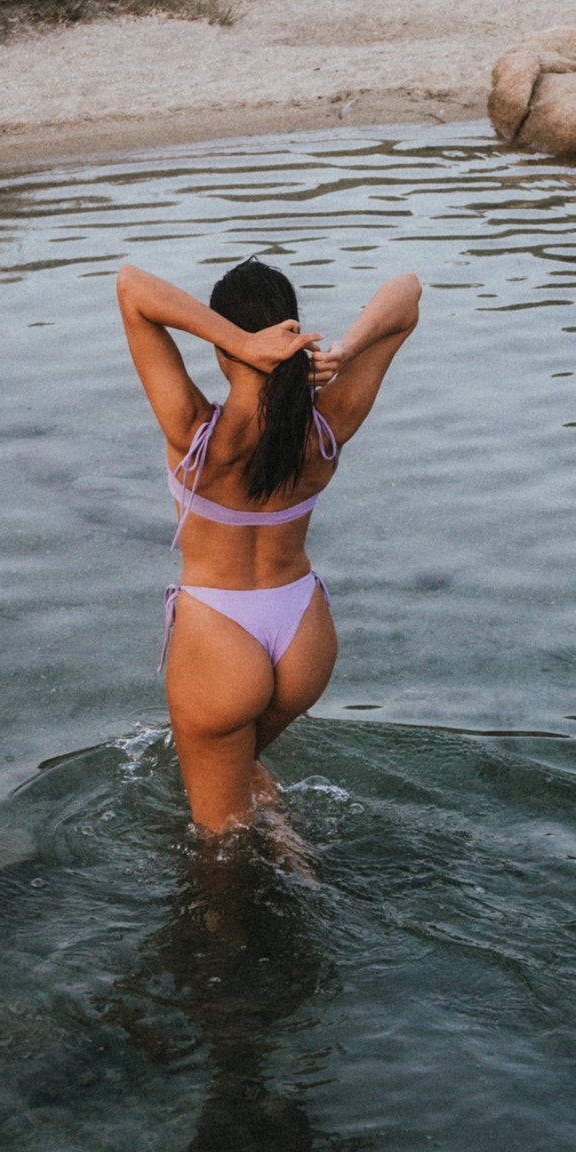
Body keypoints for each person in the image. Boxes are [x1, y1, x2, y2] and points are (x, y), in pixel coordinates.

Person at [115, 256, 421, 838]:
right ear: (292, 331)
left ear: (227, 344)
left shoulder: (195, 433)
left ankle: (231, 920)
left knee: (218, 852)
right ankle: (284, 839)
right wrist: (345, 351)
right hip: (303, 633)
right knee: (242, 771)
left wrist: (241, 345)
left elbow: (131, 286)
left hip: (219, 638)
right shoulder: (327, 427)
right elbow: (407, 292)